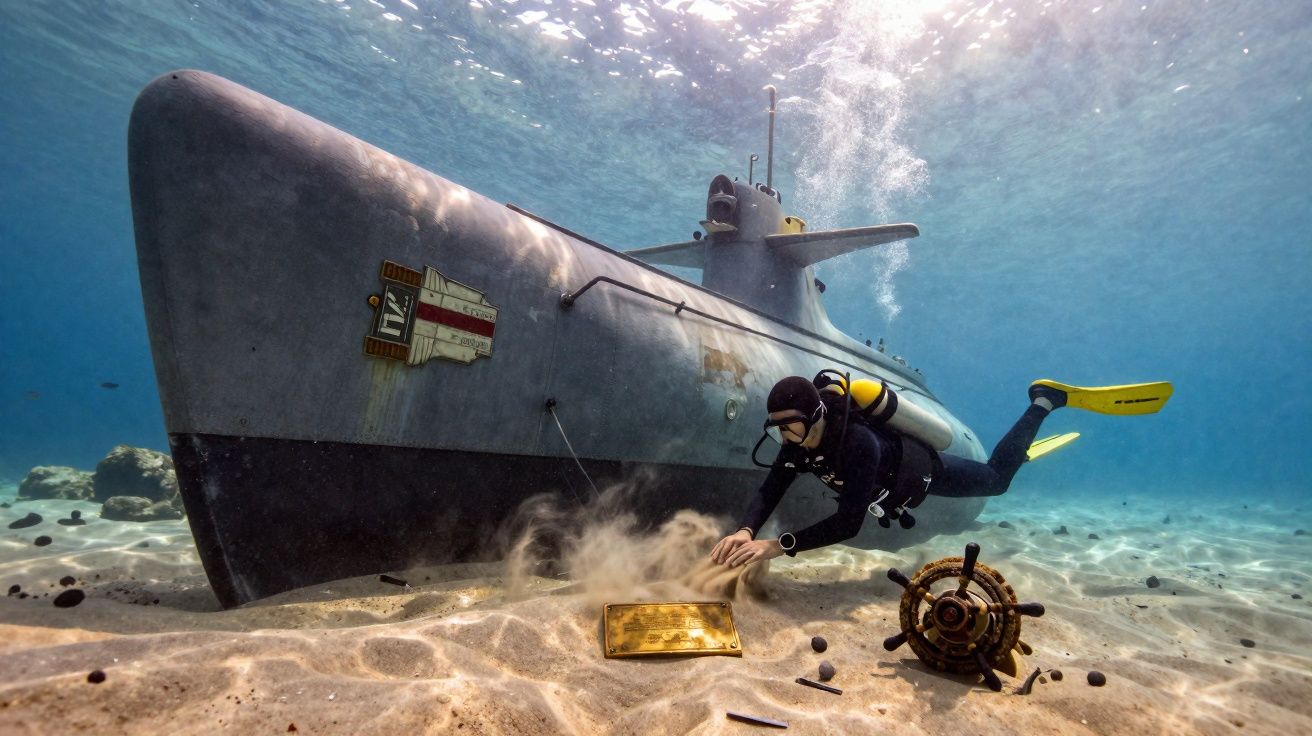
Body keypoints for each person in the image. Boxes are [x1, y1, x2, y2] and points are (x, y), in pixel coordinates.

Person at [710, 372, 1170, 568]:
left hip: (921, 475)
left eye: (792, 429)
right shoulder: (797, 442)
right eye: (778, 432)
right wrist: (748, 529)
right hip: (887, 492)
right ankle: (1026, 437)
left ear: (816, 419)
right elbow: (771, 487)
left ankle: (1043, 402)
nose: (786, 442)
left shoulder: (858, 443)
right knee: (995, 477)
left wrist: (779, 545)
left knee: (996, 480)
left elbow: (849, 523)